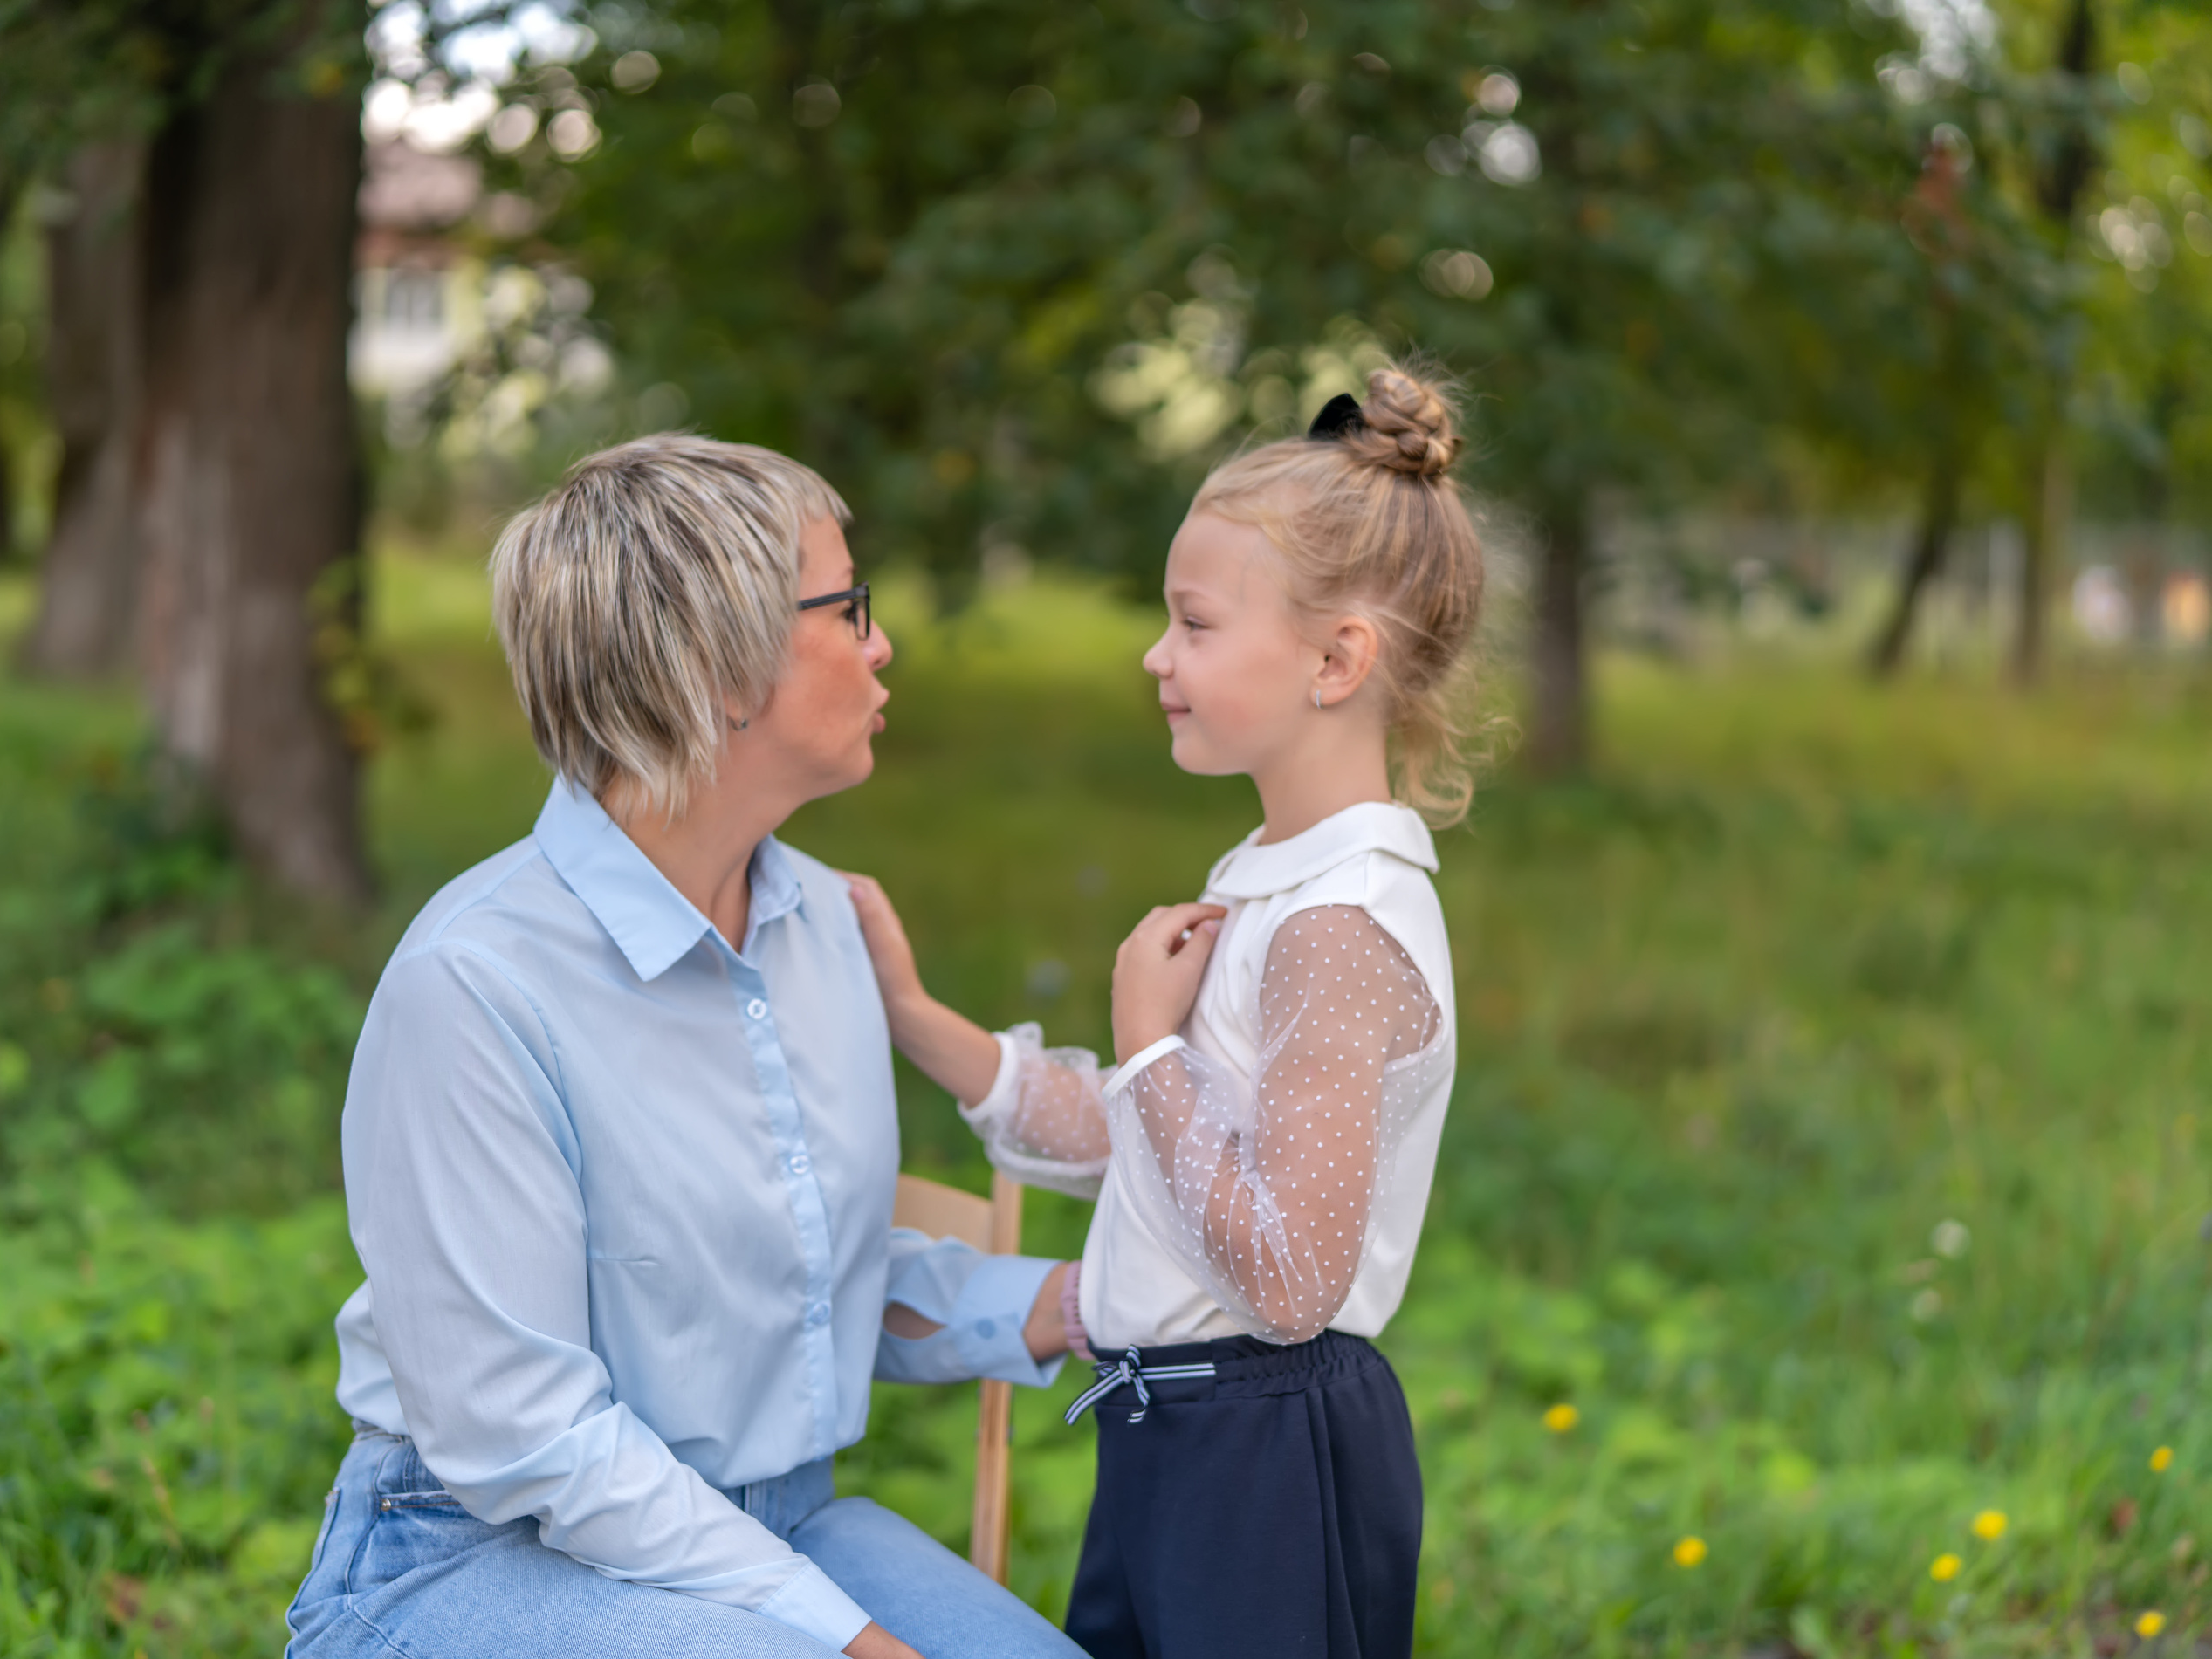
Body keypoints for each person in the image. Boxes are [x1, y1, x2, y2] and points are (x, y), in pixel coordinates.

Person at [286, 435, 1086, 1659]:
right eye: (848, 606)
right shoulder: (478, 985)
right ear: (717, 665)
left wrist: (1090, 1304)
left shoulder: (822, 921)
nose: (880, 645)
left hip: (772, 1528)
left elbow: (812, 1284)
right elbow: (531, 1437)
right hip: (473, 1555)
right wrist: (846, 1640)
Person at [848, 365, 1482, 1659]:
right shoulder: (1272, 877)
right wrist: (916, 1016)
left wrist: (1149, 1048)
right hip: (1178, 1428)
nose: (1157, 655)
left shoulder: (1338, 924)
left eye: (1192, 623)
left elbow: (1292, 1276)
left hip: (1265, 1445)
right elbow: (1171, 1153)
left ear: (1335, 658)